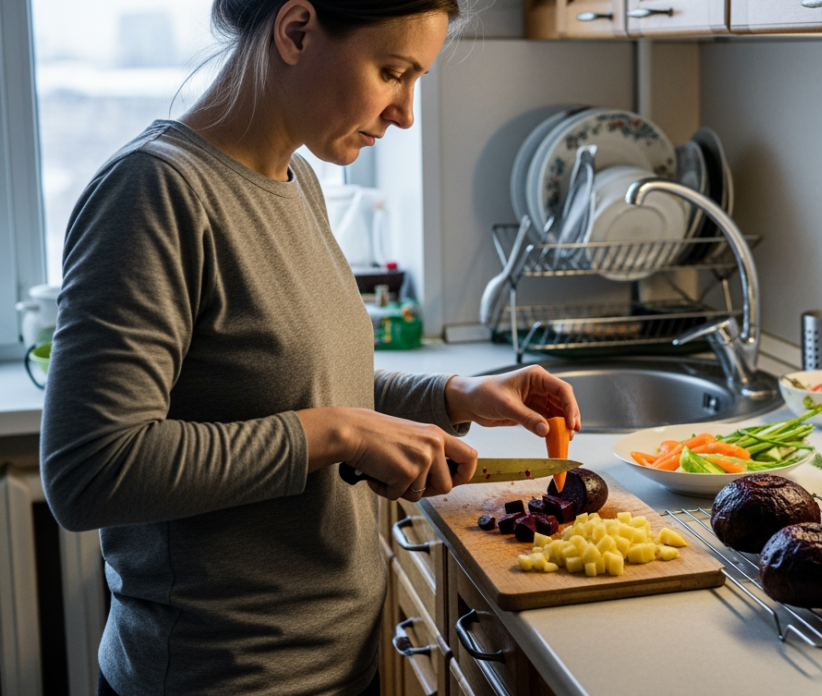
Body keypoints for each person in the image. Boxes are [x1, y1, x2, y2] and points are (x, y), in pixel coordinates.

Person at [39, 1, 581, 694]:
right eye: (392, 72)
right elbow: (89, 472)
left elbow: (298, 378)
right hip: (223, 678)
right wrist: (335, 435)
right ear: (296, 30)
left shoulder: (298, 183)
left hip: (337, 662)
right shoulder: (154, 192)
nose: (405, 112)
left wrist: (454, 396)